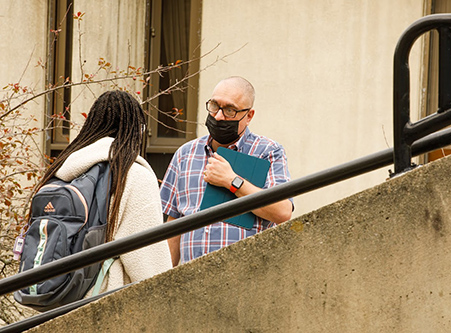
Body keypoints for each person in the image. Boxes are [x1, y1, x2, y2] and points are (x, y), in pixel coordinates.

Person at [36, 90, 172, 294]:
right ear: (136, 131)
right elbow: (148, 262)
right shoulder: (132, 175)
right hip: (105, 300)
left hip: (60, 296)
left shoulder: (62, 171)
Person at [160, 76, 293, 266]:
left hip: (245, 279)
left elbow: (282, 211)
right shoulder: (185, 154)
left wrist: (232, 181)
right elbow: (173, 226)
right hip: (189, 281)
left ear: (249, 116)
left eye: (230, 110)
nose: (219, 116)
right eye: (214, 106)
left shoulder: (268, 152)